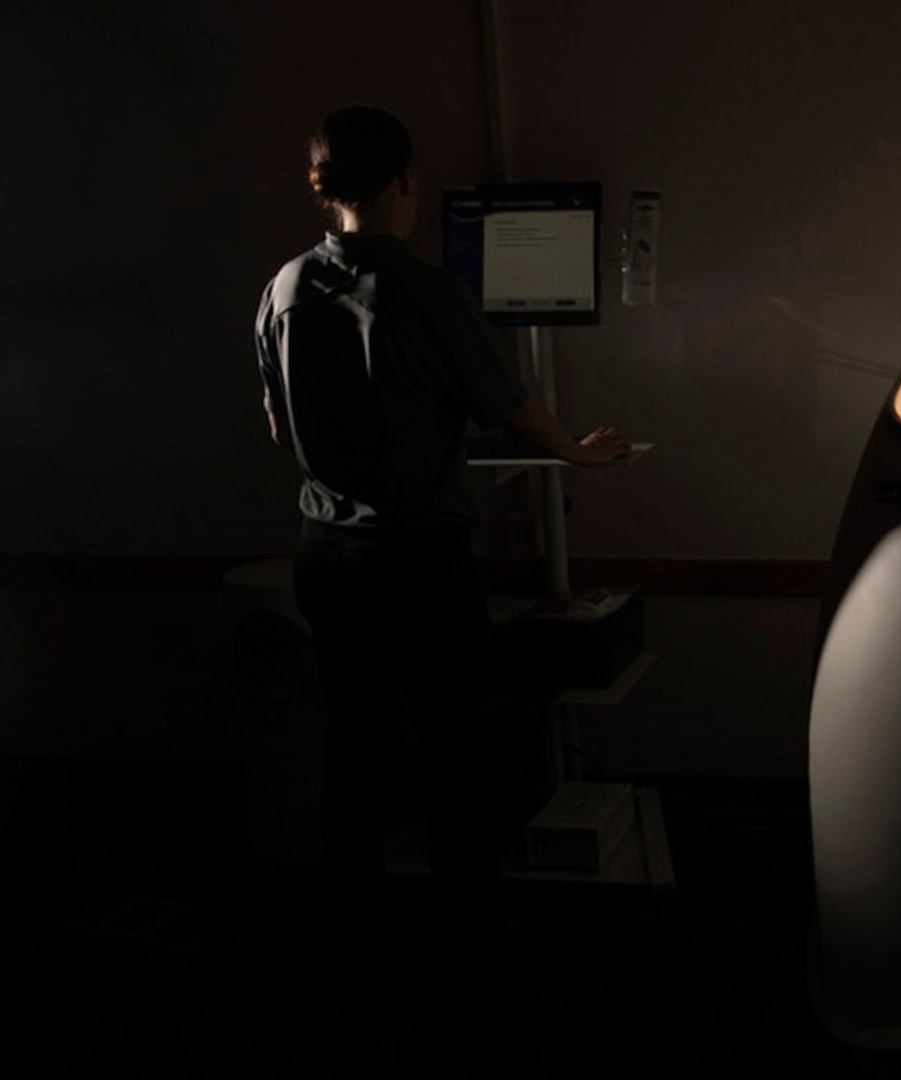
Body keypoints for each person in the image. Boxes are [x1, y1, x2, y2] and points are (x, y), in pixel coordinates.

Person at [254, 104, 630, 975]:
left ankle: (354, 930)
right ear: (403, 185)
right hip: (420, 556)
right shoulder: (428, 291)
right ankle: (465, 938)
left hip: (327, 551)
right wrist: (574, 450)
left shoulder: (282, 287)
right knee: (455, 743)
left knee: (354, 742)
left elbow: (278, 429)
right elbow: (510, 406)